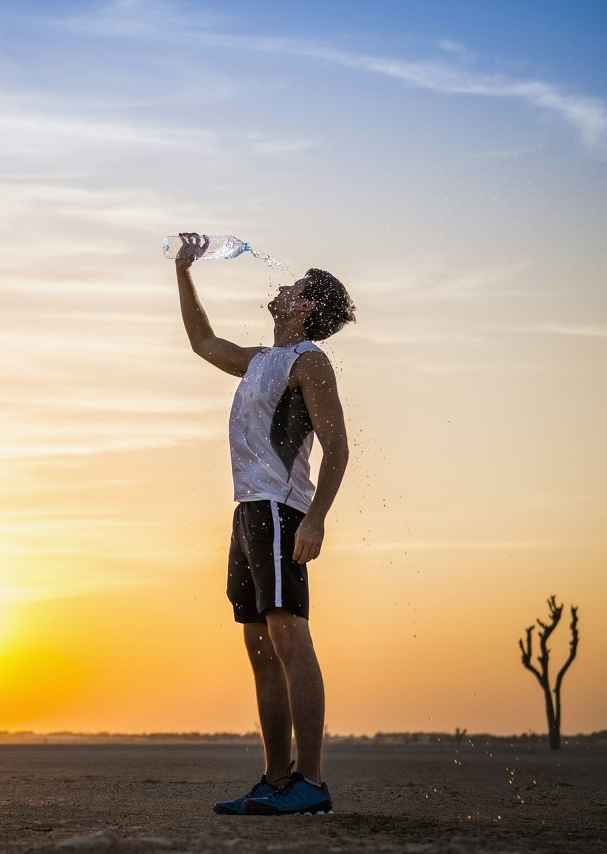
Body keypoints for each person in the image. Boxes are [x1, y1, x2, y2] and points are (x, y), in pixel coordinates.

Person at [172, 232, 356, 817]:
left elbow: (339, 447)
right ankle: (276, 780)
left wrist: (317, 520)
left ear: (306, 308)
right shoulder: (258, 361)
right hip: (248, 511)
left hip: (282, 510)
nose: (284, 285)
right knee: (259, 646)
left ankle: (313, 781)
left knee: (288, 636)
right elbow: (202, 341)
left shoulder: (310, 361)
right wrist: (184, 269)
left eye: (297, 285)